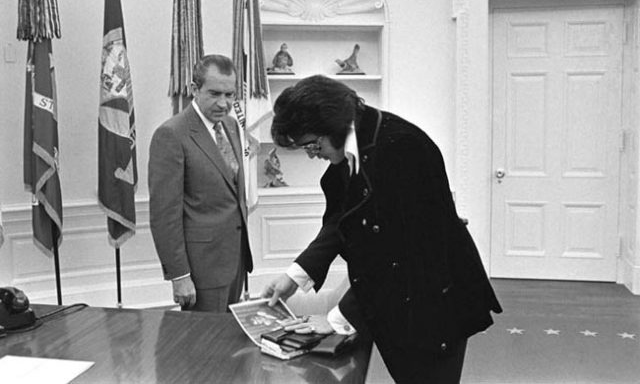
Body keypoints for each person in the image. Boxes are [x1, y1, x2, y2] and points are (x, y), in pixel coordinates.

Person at [262, 75, 502, 383]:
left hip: (433, 305)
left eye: (312, 144)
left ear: (331, 124)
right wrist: (295, 275)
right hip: (396, 301)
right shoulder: (353, 143)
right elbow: (342, 219)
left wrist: (337, 318)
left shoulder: (404, 148)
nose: (311, 154)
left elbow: (404, 255)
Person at [149, 54, 252, 312]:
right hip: (201, 269)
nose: (224, 103)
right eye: (215, 93)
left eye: (230, 95)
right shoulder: (171, 134)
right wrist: (179, 275)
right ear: (195, 90)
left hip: (235, 260)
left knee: (229, 343)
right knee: (204, 347)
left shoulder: (230, 125)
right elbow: (164, 214)